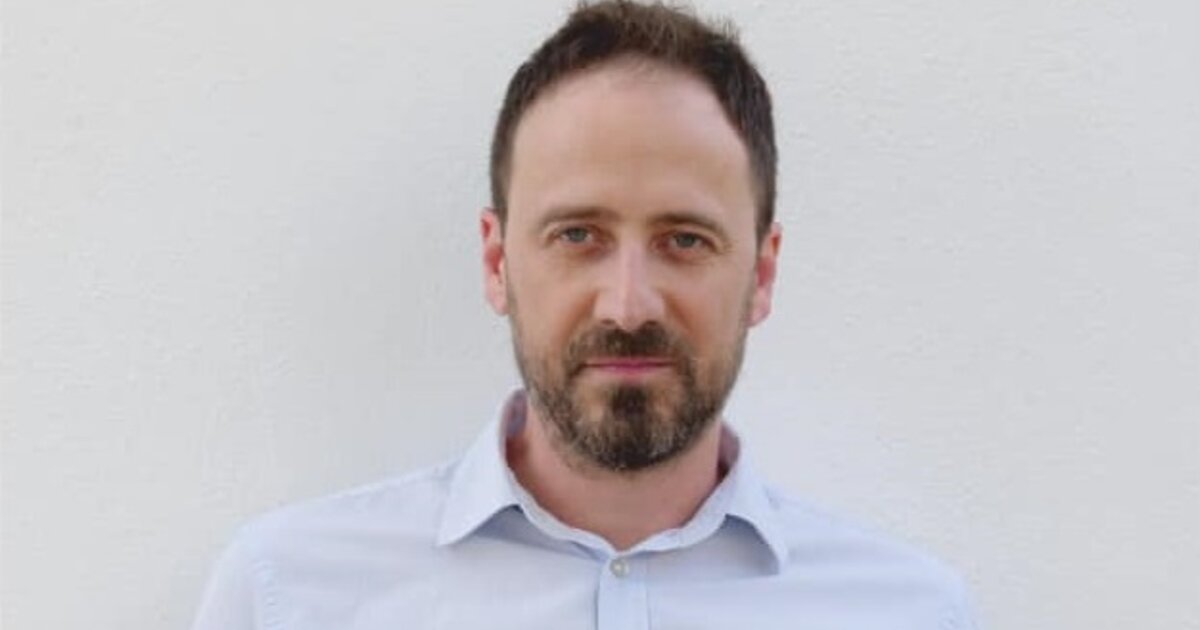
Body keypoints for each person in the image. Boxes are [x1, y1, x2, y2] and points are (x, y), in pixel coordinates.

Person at [192, 2, 978, 628]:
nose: (628, 305)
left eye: (685, 239)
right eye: (577, 236)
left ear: (762, 273)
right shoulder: (288, 597)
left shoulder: (909, 614)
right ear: (497, 262)